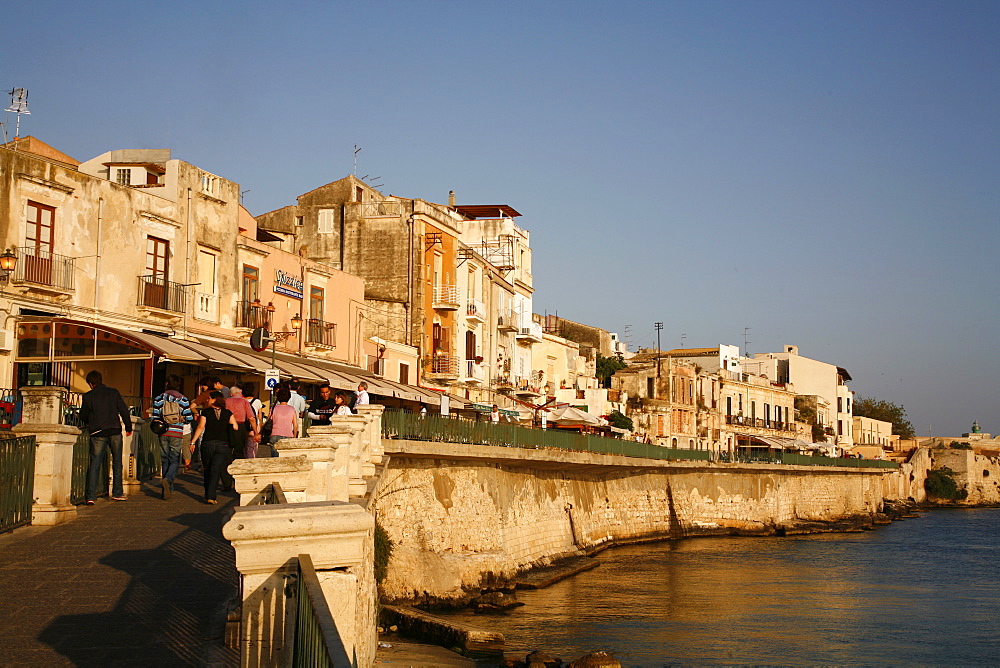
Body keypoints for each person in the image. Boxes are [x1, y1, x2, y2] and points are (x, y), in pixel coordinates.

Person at [79, 370, 133, 504]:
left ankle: (91, 496)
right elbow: (124, 410)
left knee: (95, 464)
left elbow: (83, 416)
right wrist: (128, 427)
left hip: (97, 432)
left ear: (91, 384)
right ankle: (117, 492)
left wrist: (90, 420)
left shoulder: (88, 396)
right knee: (116, 462)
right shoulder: (113, 392)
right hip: (114, 430)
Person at [190, 391, 239, 504]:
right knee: (216, 469)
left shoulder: (206, 412)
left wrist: (193, 442)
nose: (207, 400)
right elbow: (235, 426)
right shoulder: (228, 413)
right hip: (223, 444)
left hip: (208, 443)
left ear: (214, 400)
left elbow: (201, 427)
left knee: (207, 469)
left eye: (209, 398)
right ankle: (212, 496)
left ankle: (208, 493)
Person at [151, 374, 195, 499]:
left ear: (166, 384)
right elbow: (189, 418)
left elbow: (155, 417)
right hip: (176, 432)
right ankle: (168, 479)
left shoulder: (159, 398)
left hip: (163, 431)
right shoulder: (183, 399)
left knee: (165, 458)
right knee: (174, 459)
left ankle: (166, 487)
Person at [225, 381, 258, 459]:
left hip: (228, 426)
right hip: (241, 426)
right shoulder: (244, 402)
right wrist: (256, 432)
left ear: (231, 394)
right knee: (240, 448)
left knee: (228, 446)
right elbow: (251, 418)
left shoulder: (226, 401)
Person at [268, 387, 299, 456]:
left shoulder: (273, 408)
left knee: (275, 458)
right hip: (288, 435)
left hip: (274, 435)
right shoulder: (292, 409)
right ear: (289, 397)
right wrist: (294, 436)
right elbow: (295, 425)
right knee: (286, 458)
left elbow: (269, 420)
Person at [243, 382, 264, 458]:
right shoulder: (257, 401)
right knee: (252, 447)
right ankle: (251, 461)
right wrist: (259, 430)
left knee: (244, 447)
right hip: (254, 425)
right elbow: (260, 417)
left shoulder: (241, 400)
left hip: (243, 425)